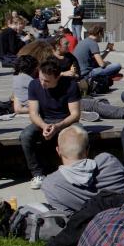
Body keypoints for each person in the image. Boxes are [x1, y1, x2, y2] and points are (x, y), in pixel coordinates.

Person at [41, 125, 124, 214]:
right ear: (87, 149)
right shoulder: (108, 161)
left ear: (58, 151)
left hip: (94, 227)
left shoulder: (50, 185)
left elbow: (68, 220)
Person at [21, 59, 83, 190]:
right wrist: (44, 126)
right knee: (26, 135)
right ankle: (37, 174)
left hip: (65, 121)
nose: (42, 83)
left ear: (57, 77)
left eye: (47, 81)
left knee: (80, 135)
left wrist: (58, 126)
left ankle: (76, 171)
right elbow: (33, 113)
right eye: (41, 79)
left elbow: (75, 115)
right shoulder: (34, 84)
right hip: (44, 121)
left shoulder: (70, 85)